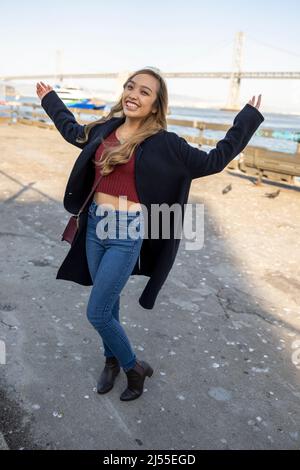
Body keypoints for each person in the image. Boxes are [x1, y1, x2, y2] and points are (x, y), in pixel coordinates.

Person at [36, 67, 264, 402]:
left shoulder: (165, 143)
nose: (134, 94)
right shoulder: (106, 128)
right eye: (130, 87)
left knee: (96, 311)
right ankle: (111, 360)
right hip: (95, 225)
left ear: (156, 104)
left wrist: (247, 120)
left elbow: (214, 161)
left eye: (145, 91)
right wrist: (50, 101)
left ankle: (133, 367)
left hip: (126, 231)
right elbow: (73, 131)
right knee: (108, 302)